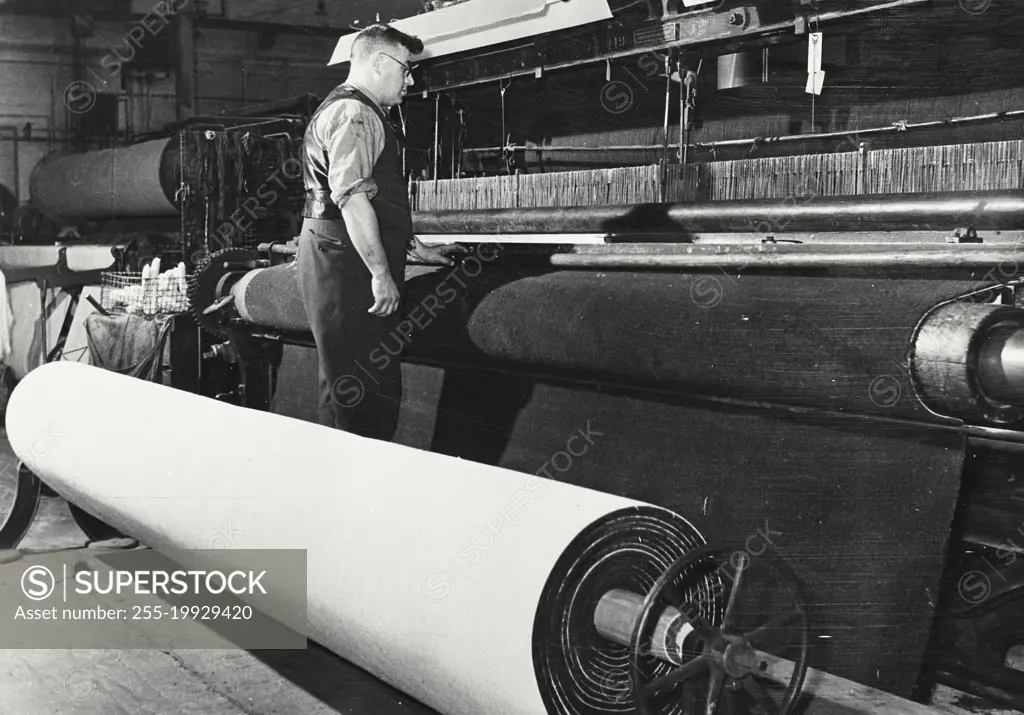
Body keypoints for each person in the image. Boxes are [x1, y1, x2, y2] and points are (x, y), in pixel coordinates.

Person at [297, 24, 461, 441]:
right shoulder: (356, 113)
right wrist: (381, 274)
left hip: (334, 250)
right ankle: (362, 491)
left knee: (342, 383)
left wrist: (412, 247)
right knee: (365, 388)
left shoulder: (350, 108)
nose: (410, 80)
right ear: (378, 63)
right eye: (406, 69)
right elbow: (351, 199)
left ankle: (341, 486)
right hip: (344, 259)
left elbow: (375, 194)